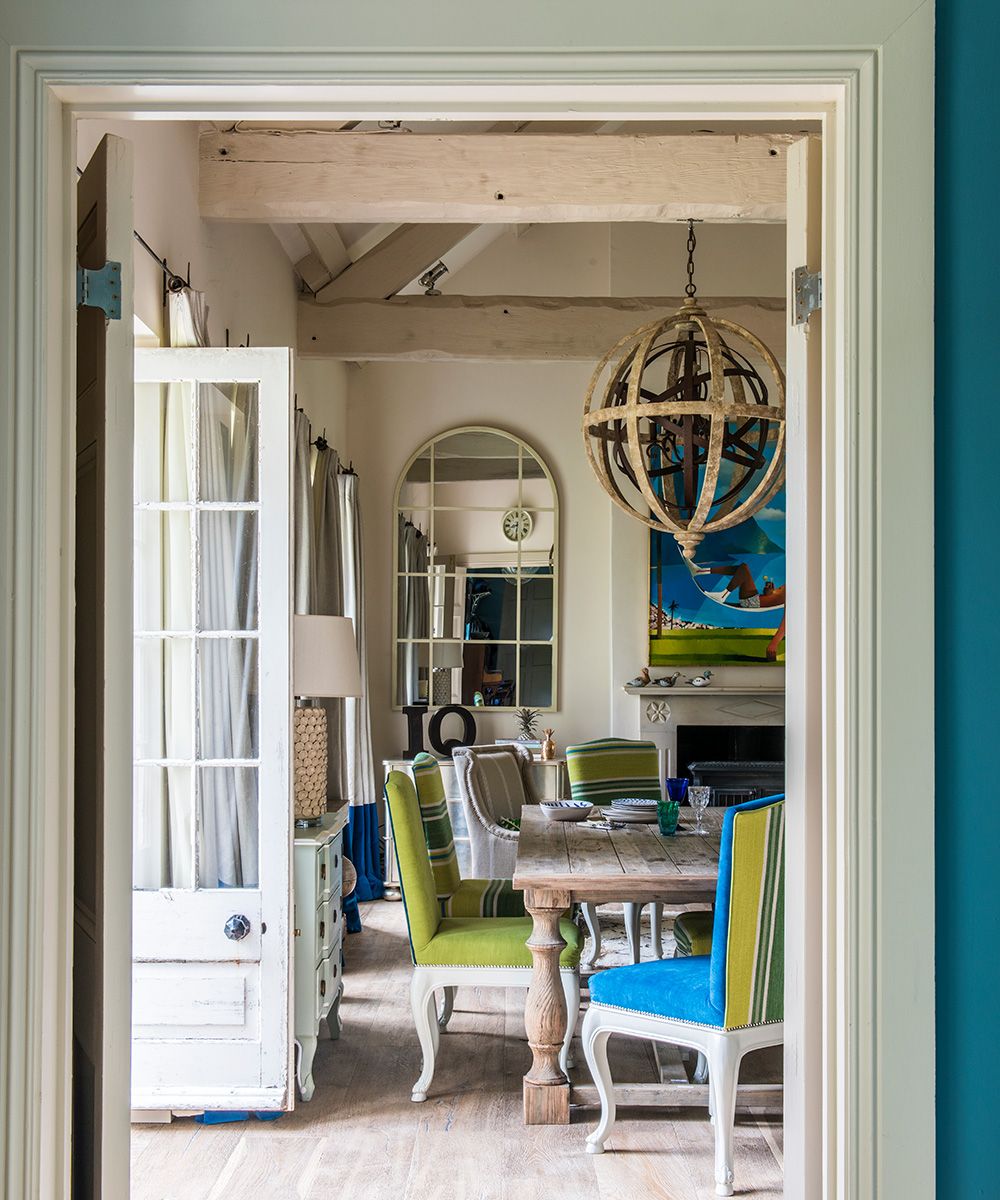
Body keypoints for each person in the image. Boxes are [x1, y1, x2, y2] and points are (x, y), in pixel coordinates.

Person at [695, 562, 786, 661]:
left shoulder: (796, 588)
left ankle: (721, 594)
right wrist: (768, 593)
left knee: (743, 568)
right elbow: (775, 598)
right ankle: (701, 571)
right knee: (741, 569)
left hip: (753, 602)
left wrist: (774, 643)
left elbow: (787, 620)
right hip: (755, 599)